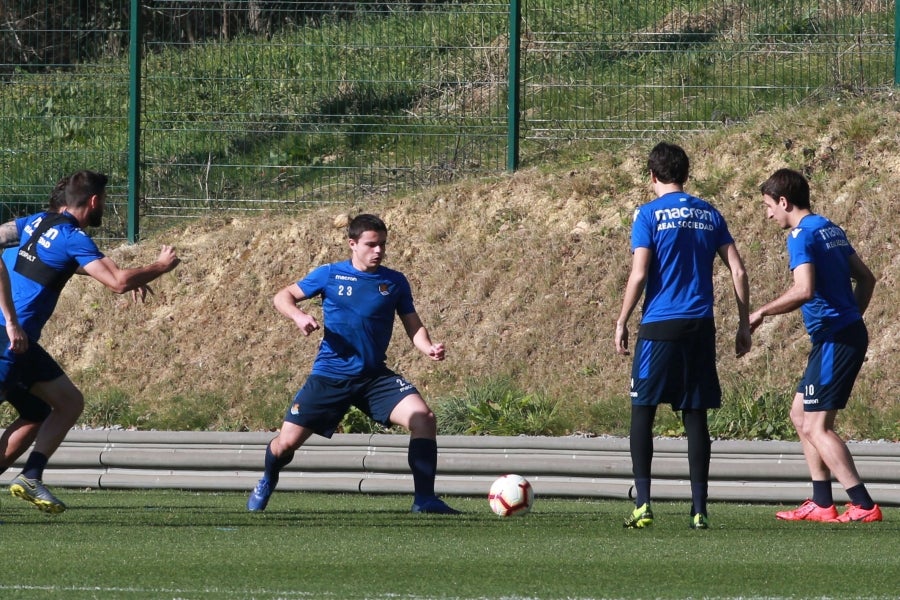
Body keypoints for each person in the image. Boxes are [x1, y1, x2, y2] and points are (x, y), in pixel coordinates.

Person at [247, 213, 459, 514]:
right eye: (371, 244)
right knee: (285, 445)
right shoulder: (330, 274)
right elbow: (283, 296)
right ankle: (269, 477)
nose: (379, 251)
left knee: (423, 417)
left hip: (373, 378)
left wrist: (428, 347)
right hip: (330, 376)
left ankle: (424, 499)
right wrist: (299, 316)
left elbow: (413, 324)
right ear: (352, 244)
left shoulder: (395, 282)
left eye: (383, 245)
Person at [0, 169, 180, 514]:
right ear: (94, 201)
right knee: (61, 404)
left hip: (18, 339)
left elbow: (58, 261)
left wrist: (108, 274)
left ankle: (32, 474)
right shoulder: (72, 236)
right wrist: (159, 266)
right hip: (8, 337)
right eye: (105, 203)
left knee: (63, 403)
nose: (105, 208)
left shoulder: (33, 223)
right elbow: (118, 282)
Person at [614, 142, 751, 530]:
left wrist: (622, 320)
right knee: (695, 414)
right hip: (700, 325)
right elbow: (738, 271)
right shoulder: (709, 213)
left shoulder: (648, 214)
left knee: (643, 409)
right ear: (686, 175)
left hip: (660, 324)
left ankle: (643, 504)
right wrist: (743, 324)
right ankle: (699, 509)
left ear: (652, 176)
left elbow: (640, 273)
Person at [749, 168, 881, 523]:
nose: (768, 214)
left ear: (783, 201)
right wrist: (851, 315)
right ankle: (822, 502)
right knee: (799, 415)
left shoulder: (800, 235)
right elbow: (867, 279)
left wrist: (761, 312)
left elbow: (803, 289)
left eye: (768, 206)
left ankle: (864, 504)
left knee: (817, 426)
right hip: (839, 335)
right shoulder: (829, 228)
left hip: (835, 340)